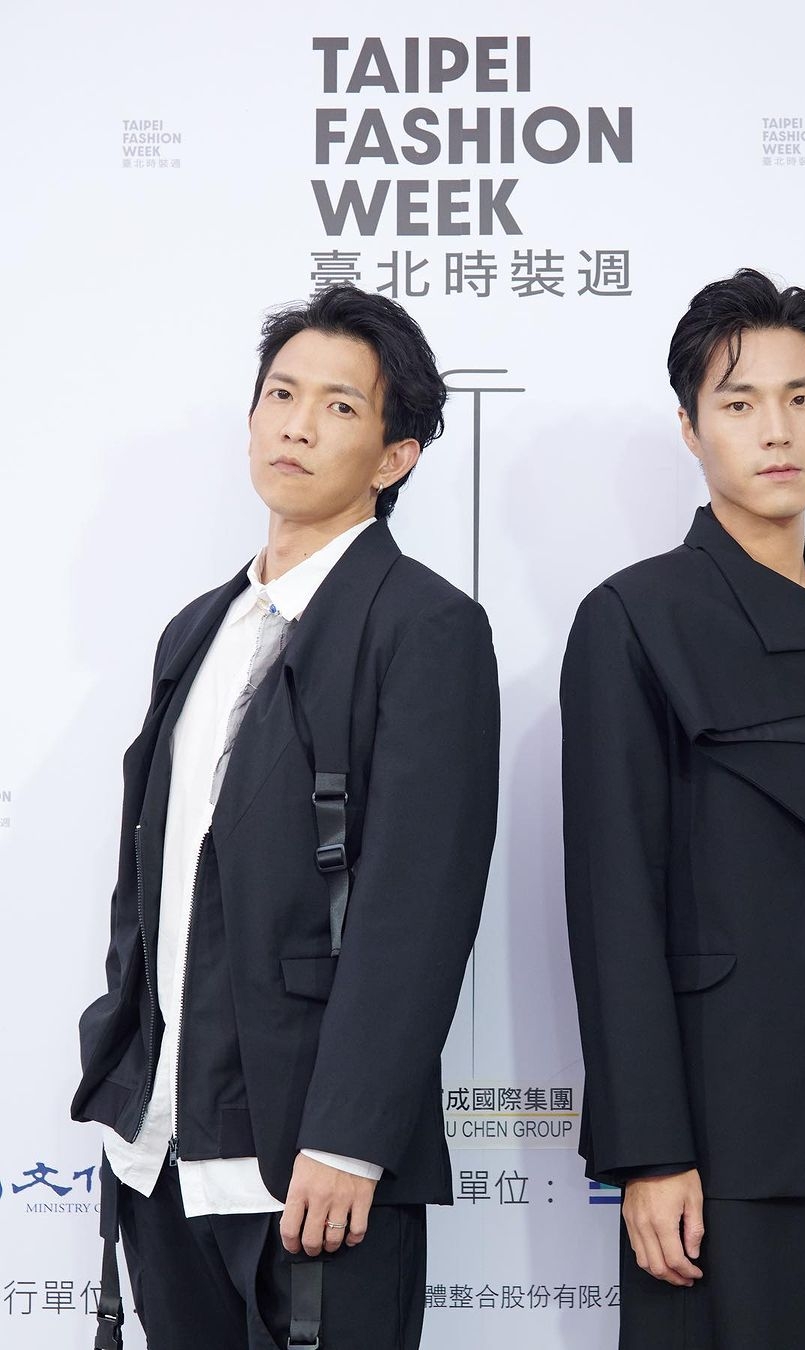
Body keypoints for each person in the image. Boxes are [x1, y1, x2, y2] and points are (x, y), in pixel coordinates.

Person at [71, 284, 500, 1350]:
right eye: (281, 394)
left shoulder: (428, 628)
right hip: (162, 1155)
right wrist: (120, 1075)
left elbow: (419, 907)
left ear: (395, 456)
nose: (297, 425)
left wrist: (351, 1139)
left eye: (339, 406)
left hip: (313, 1167)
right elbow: (153, 879)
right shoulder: (197, 628)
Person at [561, 269, 805, 1348]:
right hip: (726, 1125)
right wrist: (650, 1154)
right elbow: (613, 906)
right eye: (738, 403)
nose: (775, 430)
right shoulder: (633, 618)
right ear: (690, 428)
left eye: (801, 398)